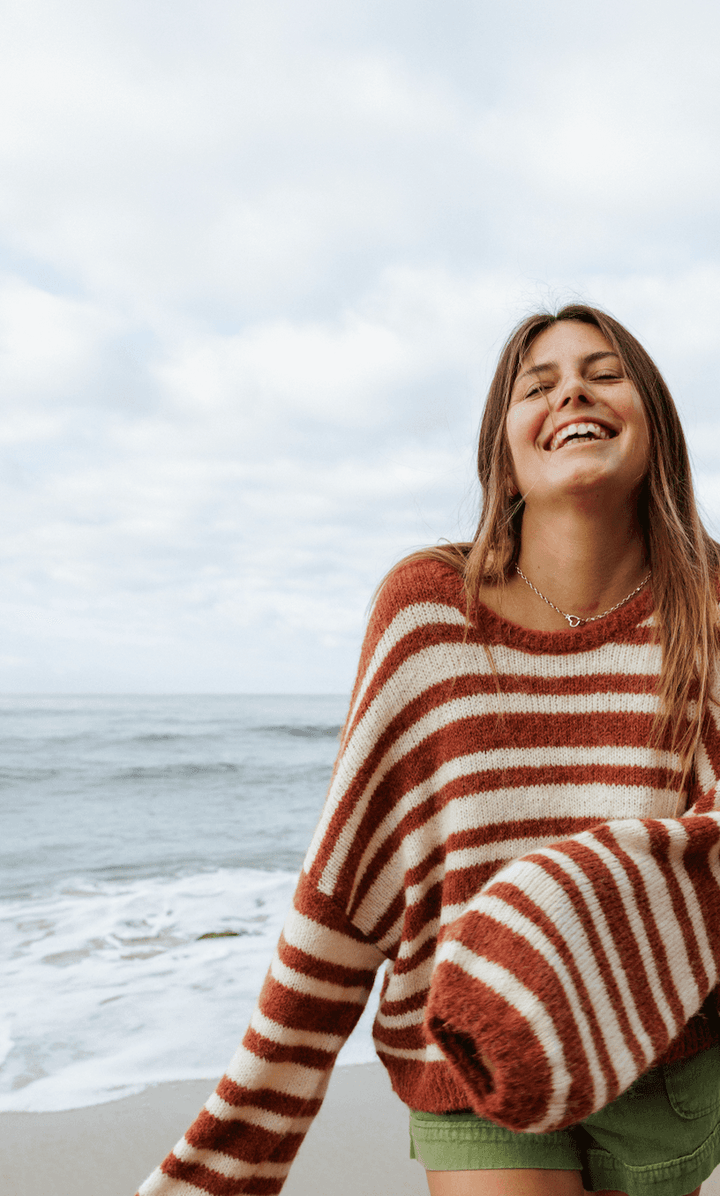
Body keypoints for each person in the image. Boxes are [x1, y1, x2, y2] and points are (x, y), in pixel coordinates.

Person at [136, 304, 720, 1196]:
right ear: (505, 448)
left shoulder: (706, 610)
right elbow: (348, 878)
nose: (572, 390)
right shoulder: (430, 611)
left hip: (660, 1051)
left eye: (605, 373)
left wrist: (575, 889)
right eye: (539, 383)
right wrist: (239, 1143)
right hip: (463, 1054)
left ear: (655, 423)